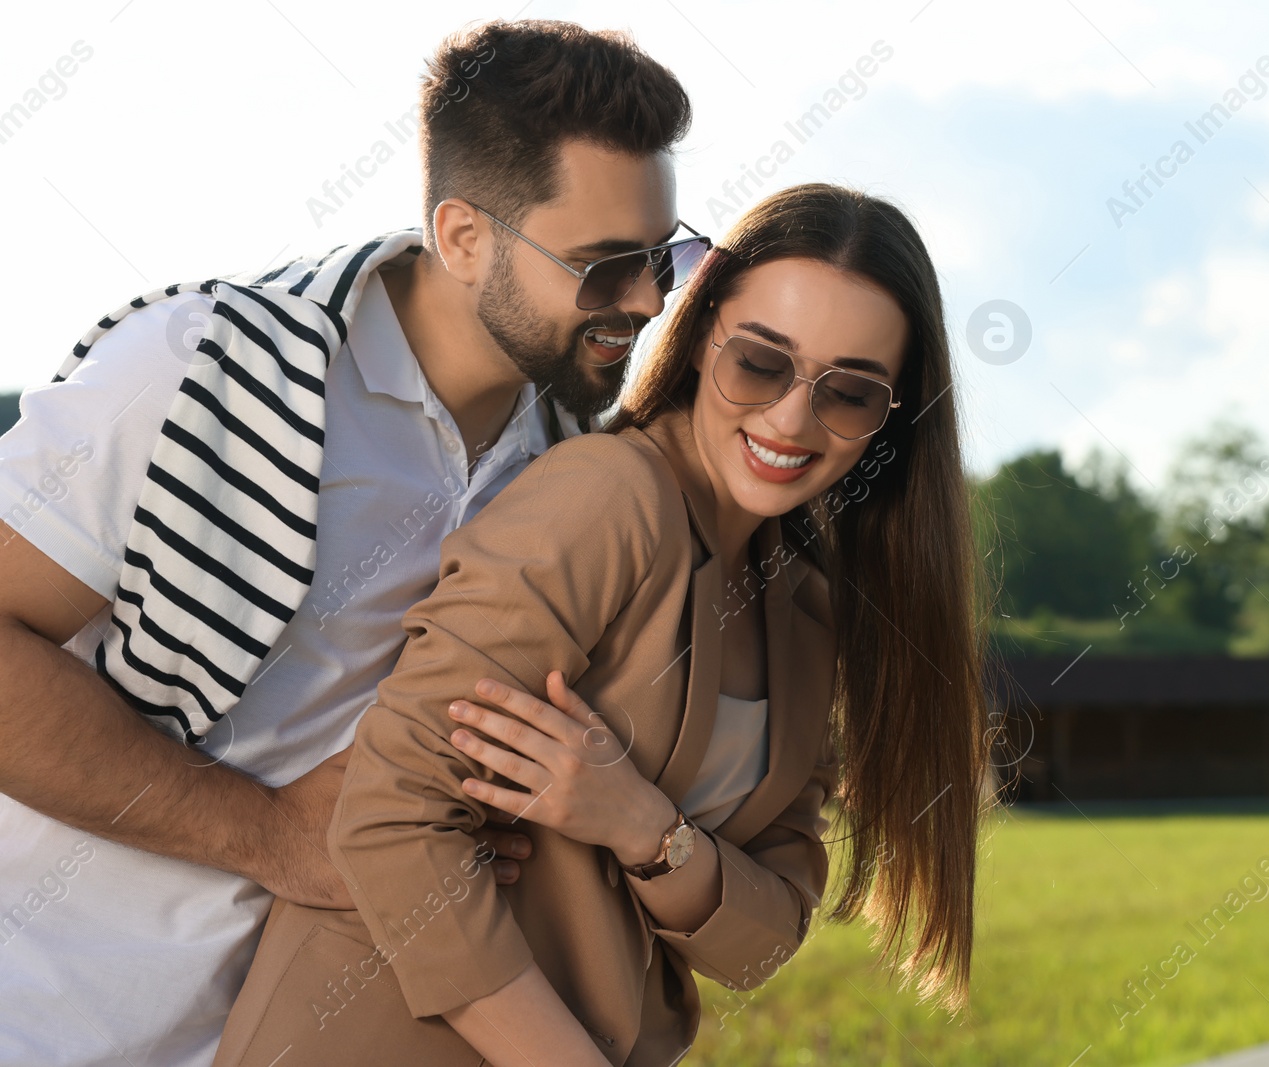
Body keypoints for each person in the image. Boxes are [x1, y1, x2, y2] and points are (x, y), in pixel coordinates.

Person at [0, 20, 707, 1067]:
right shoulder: (206, 367)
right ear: (463, 236)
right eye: (604, 267)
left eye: (661, 257)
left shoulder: (568, 467)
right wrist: (272, 834)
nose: (647, 302)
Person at [212, 183, 995, 1066]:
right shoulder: (607, 497)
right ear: (702, 338)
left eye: (848, 392)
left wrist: (645, 829)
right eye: (760, 363)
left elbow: (764, 937)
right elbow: (388, 817)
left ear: (890, 421)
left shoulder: (810, 617)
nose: (789, 419)